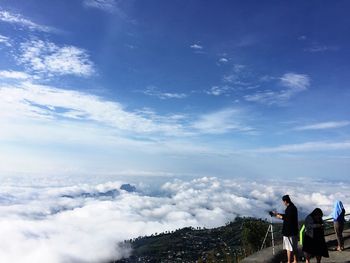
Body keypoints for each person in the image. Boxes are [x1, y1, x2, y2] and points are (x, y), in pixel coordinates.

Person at [272, 195, 299, 263]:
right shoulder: (293, 207)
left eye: (283, 202)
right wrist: (278, 214)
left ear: (285, 201)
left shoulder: (289, 208)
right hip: (294, 231)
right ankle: (295, 260)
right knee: (294, 247)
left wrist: (279, 217)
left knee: (288, 248)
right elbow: (287, 216)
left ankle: (289, 261)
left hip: (288, 232)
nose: (283, 203)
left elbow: (287, 218)